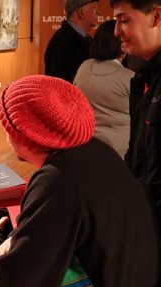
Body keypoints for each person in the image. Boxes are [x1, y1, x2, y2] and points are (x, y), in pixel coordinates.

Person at [0, 75, 159, 287]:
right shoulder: (99, 150)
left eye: (6, 127)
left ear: (21, 135)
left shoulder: (58, 180)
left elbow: (14, 286)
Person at [111, 0, 161, 224]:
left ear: (157, 16)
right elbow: (137, 158)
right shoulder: (141, 81)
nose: (116, 31)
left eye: (124, 20)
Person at [74, 19, 134, 158]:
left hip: (84, 147)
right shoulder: (130, 78)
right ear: (121, 45)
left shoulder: (84, 67)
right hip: (120, 154)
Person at [44, 0, 99, 83]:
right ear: (81, 12)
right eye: (94, 7)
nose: (99, 12)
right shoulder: (63, 42)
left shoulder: (79, 38)